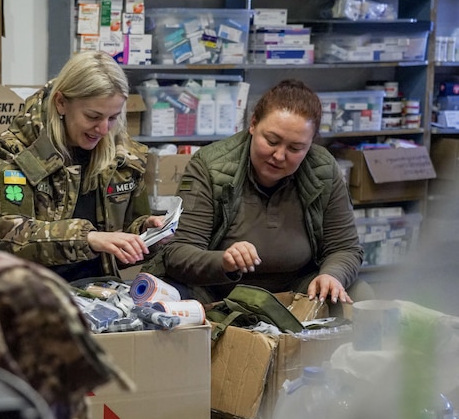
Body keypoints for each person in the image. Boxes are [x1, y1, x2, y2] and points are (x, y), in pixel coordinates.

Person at [142, 79, 369, 307]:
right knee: (166, 298)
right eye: (271, 141)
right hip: (218, 293)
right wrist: (224, 261)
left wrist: (332, 275)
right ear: (252, 124)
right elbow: (179, 253)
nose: (279, 155)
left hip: (298, 291)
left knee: (360, 292)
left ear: (310, 145)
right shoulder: (210, 167)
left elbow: (345, 248)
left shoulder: (323, 170)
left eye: (295, 148)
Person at [0, 51, 170, 281]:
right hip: (25, 290)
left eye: (112, 118)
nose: (103, 129)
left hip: (97, 291)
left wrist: (146, 232)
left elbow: (125, 230)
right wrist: (87, 238)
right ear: (61, 103)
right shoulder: (14, 152)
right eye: (92, 116)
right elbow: (5, 233)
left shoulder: (124, 157)